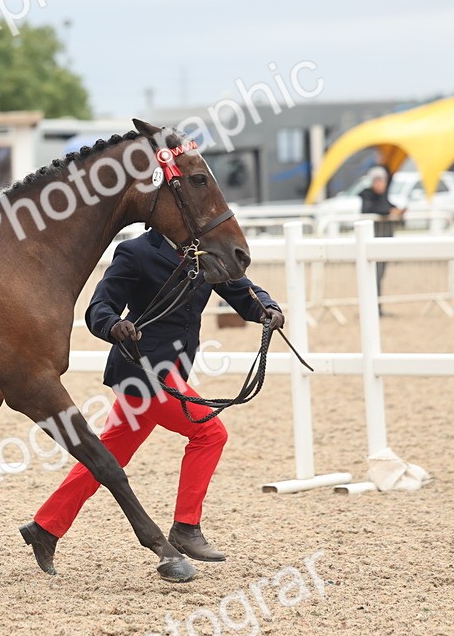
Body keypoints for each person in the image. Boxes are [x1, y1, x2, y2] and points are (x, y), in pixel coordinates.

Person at [18, 228, 282, 573]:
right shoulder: (135, 253)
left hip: (172, 370)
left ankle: (45, 527)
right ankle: (186, 527)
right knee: (210, 433)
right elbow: (99, 307)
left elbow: (240, 288)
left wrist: (267, 307)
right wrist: (114, 325)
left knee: (108, 456)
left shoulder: (204, 251)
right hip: (142, 370)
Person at [358, 166, 403, 305]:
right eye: (377, 181)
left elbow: (389, 208)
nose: (380, 184)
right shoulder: (367, 195)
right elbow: (370, 210)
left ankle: (377, 306)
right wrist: (389, 211)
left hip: (384, 240)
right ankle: (373, 306)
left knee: (379, 275)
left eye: (382, 181)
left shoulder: (384, 198)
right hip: (372, 242)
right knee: (374, 276)